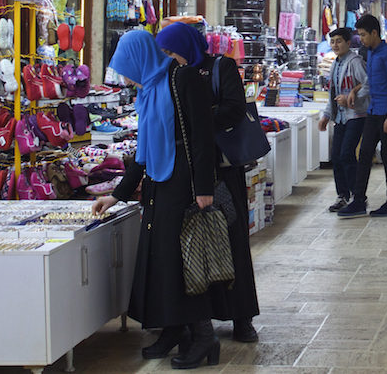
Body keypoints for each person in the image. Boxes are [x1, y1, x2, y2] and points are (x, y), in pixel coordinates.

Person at [92, 29, 220, 368]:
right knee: (161, 259)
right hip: (159, 183)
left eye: (126, 66)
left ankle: (204, 336)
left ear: (140, 58)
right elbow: (144, 153)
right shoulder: (148, 91)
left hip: (184, 183)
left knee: (182, 260)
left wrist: (204, 189)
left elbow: (204, 138)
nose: (126, 75)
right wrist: (116, 195)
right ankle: (175, 328)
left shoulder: (184, 78)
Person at [156, 23, 261, 344]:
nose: (171, 57)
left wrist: (198, 118)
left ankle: (242, 317)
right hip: (188, 171)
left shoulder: (220, 66)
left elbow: (234, 108)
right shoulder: (173, 72)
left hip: (222, 170)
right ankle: (194, 318)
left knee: (230, 240)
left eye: (173, 51)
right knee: (196, 244)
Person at [337, 14, 387, 218]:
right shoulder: (371, 53)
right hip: (374, 110)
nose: (362, 39)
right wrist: (355, 91)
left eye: (364, 35)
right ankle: (358, 200)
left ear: (375, 33)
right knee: (365, 154)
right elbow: (370, 81)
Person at [317, 28, 369, 212]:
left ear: (348, 43)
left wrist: (353, 97)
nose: (335, 45)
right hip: (339, 117)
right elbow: (333, 92)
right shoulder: (335, 64)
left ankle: (358, 196)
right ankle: (342, 195)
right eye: (333, 42)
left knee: (347, 153)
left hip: (356, 115)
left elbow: (369, 83)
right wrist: (326, 115)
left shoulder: (355, 62)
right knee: (337, 156)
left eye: (339, 41)